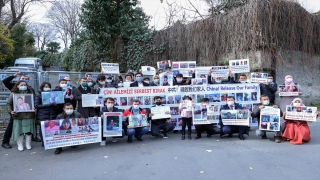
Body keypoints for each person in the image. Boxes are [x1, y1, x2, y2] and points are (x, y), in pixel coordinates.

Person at [2, 72, 41, 149]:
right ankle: (5, 142)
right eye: (23, 78)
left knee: (30, 125)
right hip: (16, 112)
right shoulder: (14, 87)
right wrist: (14, 75)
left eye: (26, 79)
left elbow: (33, 101)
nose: (24, 80)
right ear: (19, 80)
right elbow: (5, 81)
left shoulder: (30, 89)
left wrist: (34, 107)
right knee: (12, 126)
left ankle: (32, 138)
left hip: (28, 112)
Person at [6, 80, 36, 151]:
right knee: (19, 131)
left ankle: (28, 143)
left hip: (29, 115)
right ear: (17, 86)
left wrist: (35, 108)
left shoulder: (30, 93)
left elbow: (35, 103)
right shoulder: (13, 93)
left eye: (25, 85)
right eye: (21, 85)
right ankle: (20, 144)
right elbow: (8, 104)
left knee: (29, 131)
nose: (23, 86)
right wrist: (10, 111)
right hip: (18, 116)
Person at [35, 82, 57, 147]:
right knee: (42, 128)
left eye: (48, 87)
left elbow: (55, 104)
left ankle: (50, 141)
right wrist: (49, 104)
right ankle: (43, 142)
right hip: (43, 114)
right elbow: (36, 105)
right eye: (45, 87)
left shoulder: (52, 94)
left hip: (52, 113)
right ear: (42, 87)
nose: (47, 88)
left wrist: (55, 105)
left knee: (51, 127)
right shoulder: (38, 94)